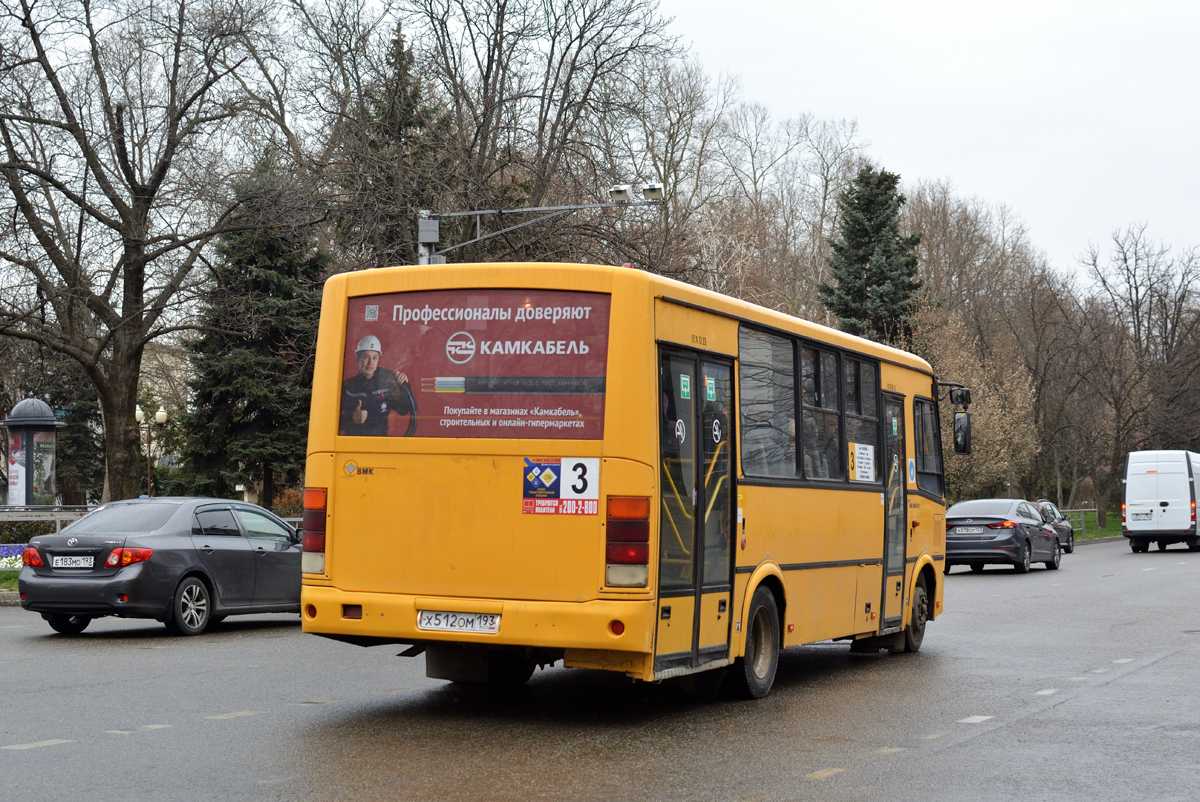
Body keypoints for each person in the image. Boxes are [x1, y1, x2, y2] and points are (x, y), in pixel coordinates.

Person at [339, 335, 417, 436]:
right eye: (366, 357)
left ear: (378, 360)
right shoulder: (348, 387)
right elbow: (332, 422)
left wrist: (403, 385)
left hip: (380, 445)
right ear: (358, 359)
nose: (370, 362)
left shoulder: (386, 385)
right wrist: (352, 419)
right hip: (354, 445)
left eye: (374, 358)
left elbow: (404, 410)